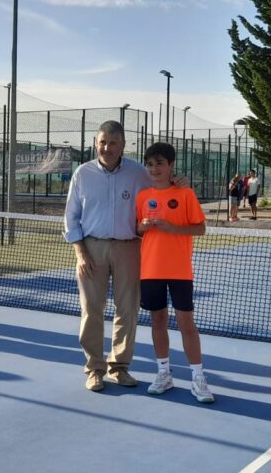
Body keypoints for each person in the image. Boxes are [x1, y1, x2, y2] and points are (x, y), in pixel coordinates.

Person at [63, 120, 152, 392]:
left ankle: (119, 367)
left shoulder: (140, 174)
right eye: (102, 142)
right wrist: (81, 253)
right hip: (91, 249)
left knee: (127, 309)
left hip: (130, 248)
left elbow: (158, 197)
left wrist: (178, 182)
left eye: (113, 143)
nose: (107, 148)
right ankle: (94, 369)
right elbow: (71, 218)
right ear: (96, 143)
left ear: (123, 145)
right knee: (91, 310)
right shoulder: (82, 174)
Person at [136, 142, 212, 403]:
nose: (154, 169)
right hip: (150, 270)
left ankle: (198, 377)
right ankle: (163, 373)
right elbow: (137, 229)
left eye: (159, 163)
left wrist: (172, 229)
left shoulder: (185, 193)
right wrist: (143, 226)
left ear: (171, 165)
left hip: (180, 270)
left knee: (186, 324)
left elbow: (200, 228)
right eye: (150, 164)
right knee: (157, 321)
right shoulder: (142, 197)